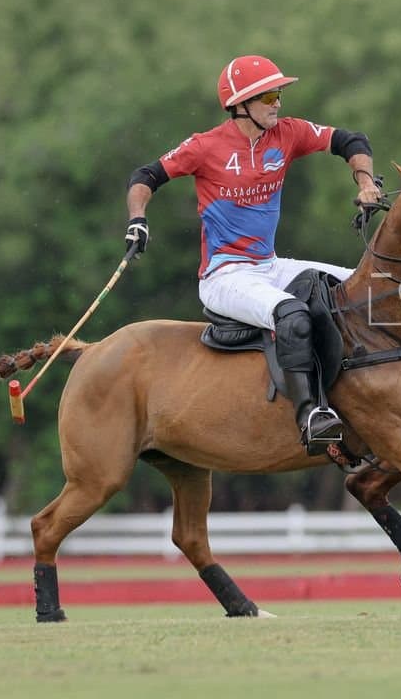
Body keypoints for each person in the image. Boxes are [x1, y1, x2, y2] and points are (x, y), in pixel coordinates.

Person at [124, 55, 384, 455]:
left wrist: (365, 180)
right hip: (224, 276)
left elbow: (351, 140)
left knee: (366, 285)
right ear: (240, 104)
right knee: (292, 315)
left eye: (279, 93)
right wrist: (138, 219)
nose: (278, 103)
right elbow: (145, 177)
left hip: (269, 265)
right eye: (269, 96)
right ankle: (311, 415)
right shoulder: (204, 146)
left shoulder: (288, 133)